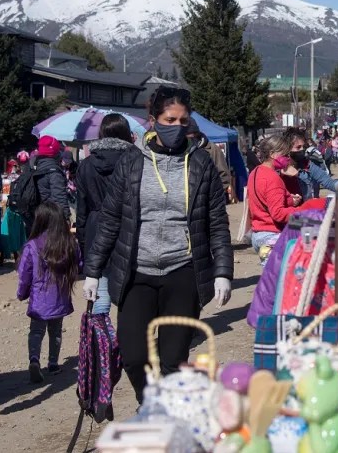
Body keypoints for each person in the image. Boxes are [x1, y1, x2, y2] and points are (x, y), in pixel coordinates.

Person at [82, 86, 233, 404]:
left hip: (183, 271)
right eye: (169, 119)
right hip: (137, 272)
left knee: (171, 360)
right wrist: (93, 270)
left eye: (183, 121)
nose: (177, 126)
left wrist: (222, 271)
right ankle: (149, 401)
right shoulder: (131, 163)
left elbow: (216, 222)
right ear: (153, 121)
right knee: (134, 356)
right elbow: (110, 220)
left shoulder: (201, 164)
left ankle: (165, 417)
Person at [76, 114, 134, 315]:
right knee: (130, 292)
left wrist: (83, 241)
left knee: (99, 291)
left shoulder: (86, 165)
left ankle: (102, 344)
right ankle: (129, 341)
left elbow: (81, 207)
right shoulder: (134, 161)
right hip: (128, 226)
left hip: (95, 226)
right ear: (127, 134)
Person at [17, 202, 81, 383]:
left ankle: (34, 360)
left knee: (36, 332)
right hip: (59, 297)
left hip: (39, 298)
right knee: (56, 332)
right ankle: (53, 363)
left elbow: (24, 273)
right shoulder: (68, 243)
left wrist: (22, 293)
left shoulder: (32, 245)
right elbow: (80, 264)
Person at [247, 135, 302, 263]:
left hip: (258, 233)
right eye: (284, 155)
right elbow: (277, 213)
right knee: (279, 280)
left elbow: (263, 199)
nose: (288, 159)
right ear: (272, 154)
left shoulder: (255, 172)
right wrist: (302, 211)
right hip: (271, 236)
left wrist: (289, 199)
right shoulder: (273, 178)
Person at [26, 136, 70, 232]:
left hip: (33, 214)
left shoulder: (32, 166)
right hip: (50, 215)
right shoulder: (53, 170)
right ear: (55, 151)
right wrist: (66, 217)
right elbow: (59, 196)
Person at [187, 119, 232, 196]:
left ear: (196, 133)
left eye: (191, 134)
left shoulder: (213, 150)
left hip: (209, 199)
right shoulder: (180, 151)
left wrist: (213, 194)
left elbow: (224, 176)